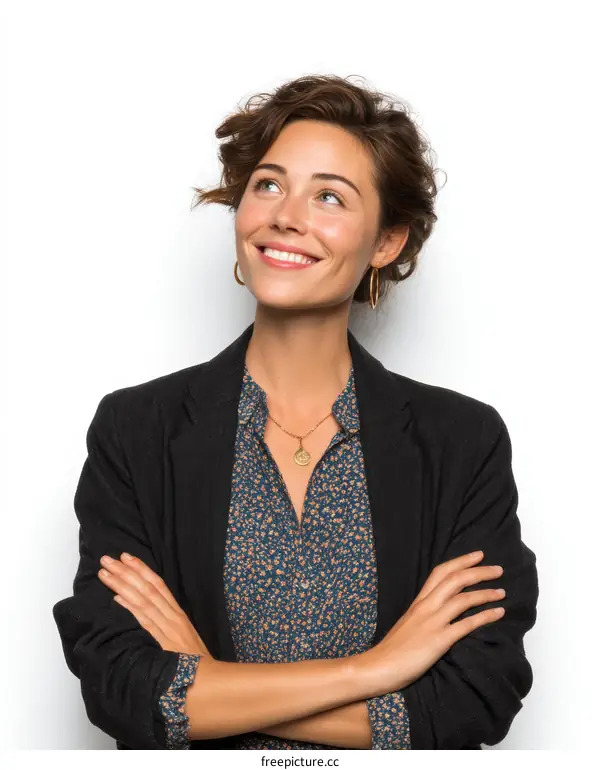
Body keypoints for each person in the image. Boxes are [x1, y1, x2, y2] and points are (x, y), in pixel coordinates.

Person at [52, 74, 538, 750]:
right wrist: (377, 670)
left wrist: (214, 683)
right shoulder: (138, 430)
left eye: (330, 197)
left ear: (386, 243)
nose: (286, 214)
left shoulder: (461, 442)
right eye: (269, 184)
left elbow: (474, 699)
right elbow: (123, 687)